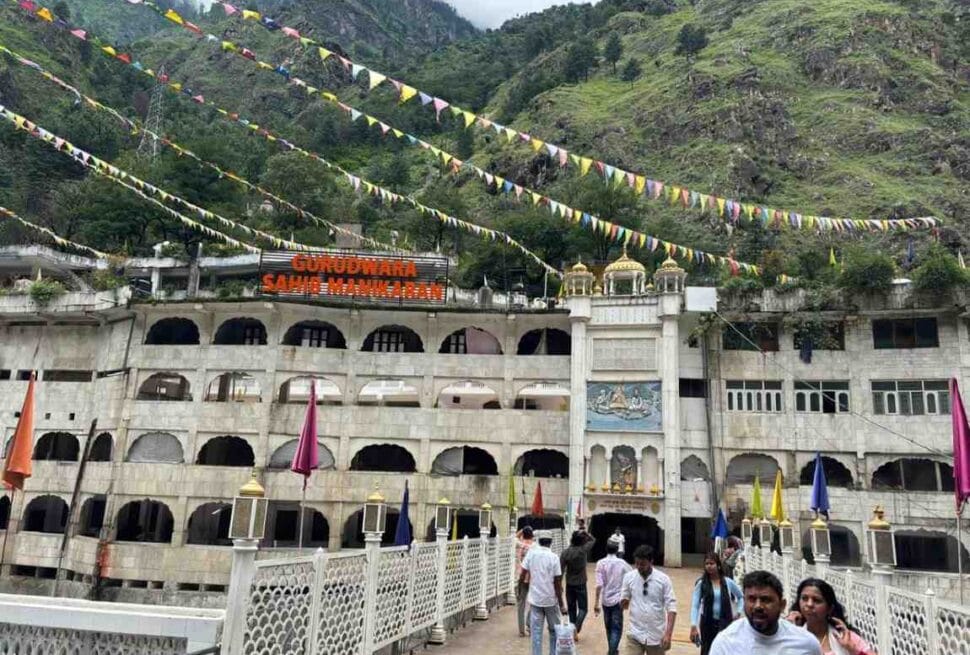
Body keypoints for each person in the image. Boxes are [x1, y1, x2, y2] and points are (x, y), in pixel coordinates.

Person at [709, 570, 822, 655]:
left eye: (766, 599)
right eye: (752, 599)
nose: (758, 606)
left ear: (782, 605)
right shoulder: (725, 643)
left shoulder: (806, 644)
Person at [787, 578, 876, 655]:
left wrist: (852, 649)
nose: (809, 604)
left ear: (829, 608)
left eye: (817, 600)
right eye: (804, 598)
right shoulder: (791, 637)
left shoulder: (845, 637)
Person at [621, 544, 677, 654]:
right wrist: (622, 603)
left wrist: (668, 634)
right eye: (636, 563)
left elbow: (671, 608)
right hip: (635, 634)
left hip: (656, 637)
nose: (638, 567)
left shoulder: (663, 580)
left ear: (651, 562)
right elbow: (625, 602)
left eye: (642, 564)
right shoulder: (629, 577)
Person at [520, 532, 567, 655]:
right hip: (551, 600)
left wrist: (523, 588)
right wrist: (561, 604)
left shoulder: (531, 554)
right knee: (554, 631)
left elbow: (522, 573)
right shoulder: (554, 557)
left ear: (539, 541)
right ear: (550, 542)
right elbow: (557, 583)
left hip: (535, 600)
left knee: (536, 632)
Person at [690, 552, 743, 655]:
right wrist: (693, 625)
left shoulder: (728, 582)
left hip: (725, 622)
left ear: (718, 565)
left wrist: (739, 611)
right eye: (707, 564)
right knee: (707, 650)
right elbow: (695, 606)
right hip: (707, 624)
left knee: (725, 649)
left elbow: (741, 597)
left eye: (712, 563)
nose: (709, 566)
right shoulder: (701, 584)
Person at [594, 541, 631, 655]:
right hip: (618, 600)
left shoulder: (600, 563)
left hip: (605, 600)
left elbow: (599, 585)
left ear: (606, 550)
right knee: (616, 628)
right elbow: (632, 575)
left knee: (609, 627)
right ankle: (612, 651)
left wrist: (596, 603)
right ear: (617, 551)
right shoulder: (622, 563)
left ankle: (612, 650)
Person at [560, 528, 595, 639]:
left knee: (571, 608)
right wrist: (586, 533)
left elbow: (560, 570)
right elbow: (593, 540)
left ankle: (572, 630)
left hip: (569, 583)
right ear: (582, 541)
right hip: (581, 583)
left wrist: (560, 583)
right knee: (583, 609)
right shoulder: (583, 550)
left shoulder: (565, 553)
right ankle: (576, 628)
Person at [516, 526, 535, 637]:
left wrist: (521, 531)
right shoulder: (535, 547)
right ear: (532, 535)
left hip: (522, 576)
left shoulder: (520, 545)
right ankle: (529, 623)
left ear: (523, 535)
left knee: (521, 603)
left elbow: (514, 537)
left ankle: (521, 629)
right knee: (533, 602)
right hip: (533, 577)